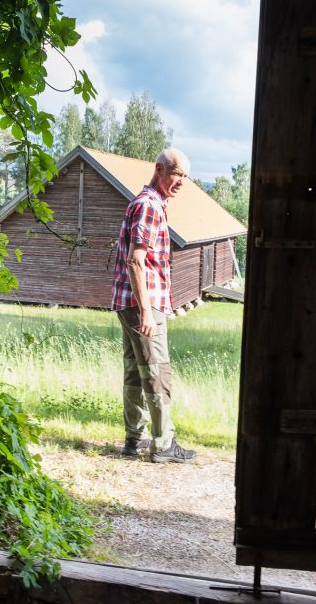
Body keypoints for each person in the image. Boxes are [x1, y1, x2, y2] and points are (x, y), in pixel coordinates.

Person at [111, 148, 197, 463]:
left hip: (130, 302)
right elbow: (136, 260)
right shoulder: (148, 206)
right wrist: (147, 310)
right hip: (142, 304)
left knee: (136, 371)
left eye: (185, 177)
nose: (181, 182)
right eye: (177, 174)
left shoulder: (147, 203)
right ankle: (163, 445)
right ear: (159, 168)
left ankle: (135, 439)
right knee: (157, 372)